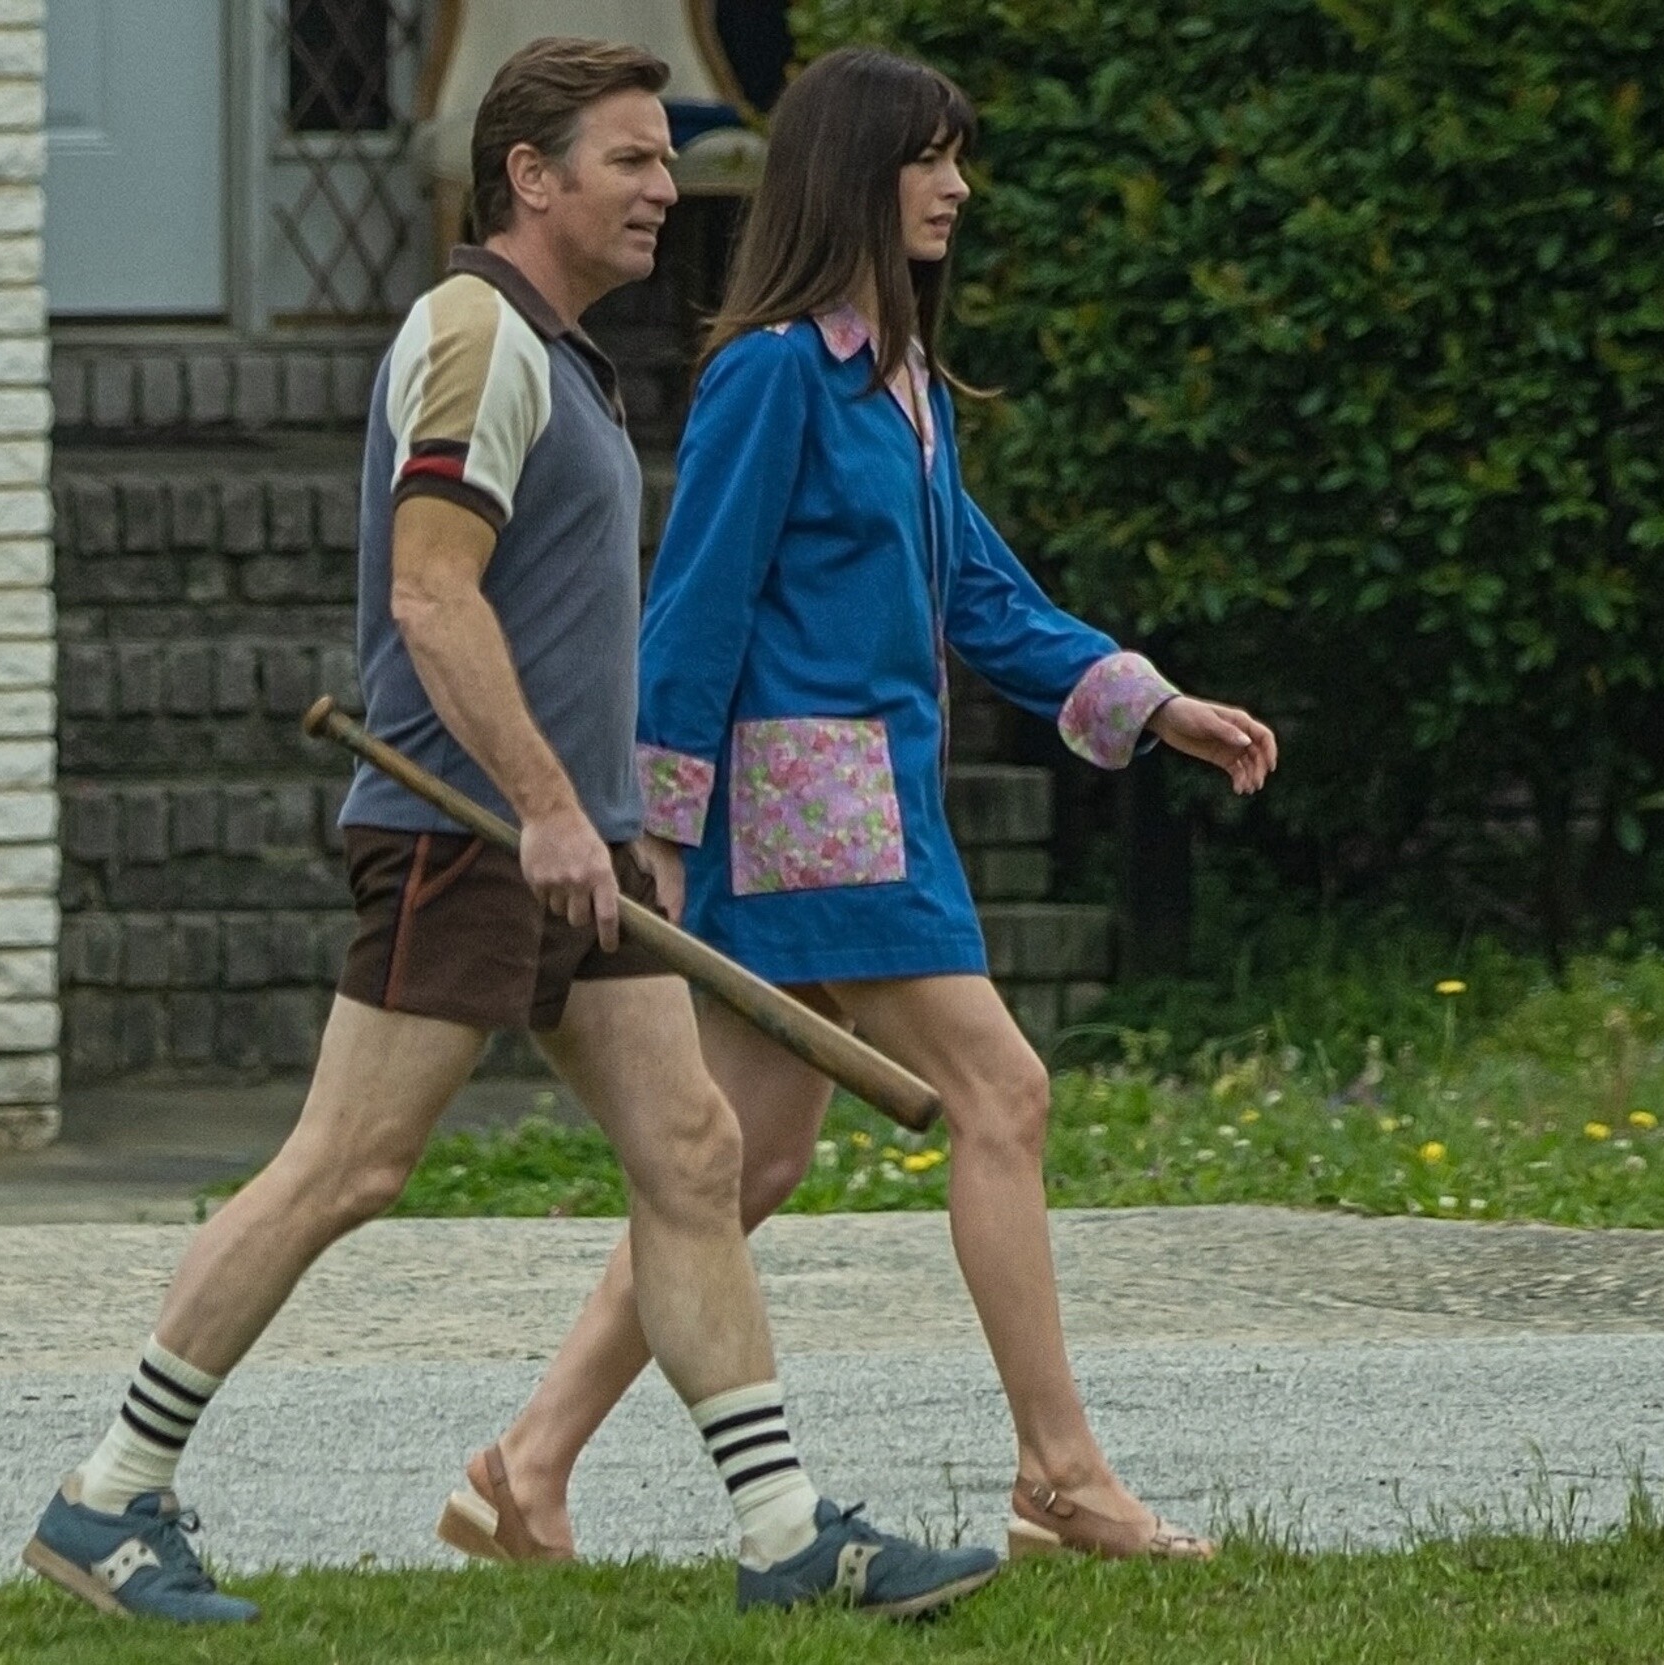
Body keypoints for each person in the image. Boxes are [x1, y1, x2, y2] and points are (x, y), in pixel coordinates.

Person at [20, 37, 1000, 1624]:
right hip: (464, 828)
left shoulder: (561, 353)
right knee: (348, 1164)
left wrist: (601, 820)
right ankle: (109, 1494)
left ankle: (782, 1531)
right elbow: (430, 594)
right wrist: (547, 808)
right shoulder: (474, 335)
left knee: (694, 1154)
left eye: (666, 158)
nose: (667, 186)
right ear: (530, 177)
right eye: (632, 159)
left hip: (570, 840)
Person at [436, 45, 1279, 1569]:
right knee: (1004, 1093)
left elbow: (982, 595)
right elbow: (695, 608)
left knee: (740, 1164)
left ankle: (523, 1464)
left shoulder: (902, 383)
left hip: (867, 818)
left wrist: (1149, 703)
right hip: (813, 829)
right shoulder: (774, 372)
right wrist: (658, 830)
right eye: (927, 160)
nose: (957, 187)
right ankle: (1061, 1473)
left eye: (957, 158)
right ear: (851, 178)